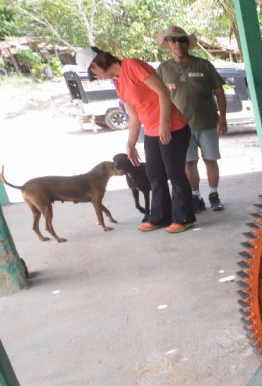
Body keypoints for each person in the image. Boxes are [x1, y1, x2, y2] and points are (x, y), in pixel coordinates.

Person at [76, 46, 195, 233]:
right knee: (155, 175)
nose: (96, 76)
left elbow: (163, 92)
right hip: (151, 132)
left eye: (94, 72)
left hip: (173, 128)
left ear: (97, 62)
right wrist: (130, 144)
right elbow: (134, 117)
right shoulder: (119, 84)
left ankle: (184, 218)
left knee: (174, 173)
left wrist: (164, 123)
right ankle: (160, 217)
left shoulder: (132, 65)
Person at [156, 26, 228, 213]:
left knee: (210, 159)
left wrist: (223, 118)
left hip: (207, 122)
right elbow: (157, 97)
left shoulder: (204, 65)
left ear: (188, 43)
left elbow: (219, 92)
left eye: (181, 40)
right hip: (180, 127)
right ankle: (195, 196)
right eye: (173, 40)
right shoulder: (163, 69)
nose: (178, 44)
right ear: (167, 44)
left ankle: (214, 195)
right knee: (189, 163)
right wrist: (162, 124)